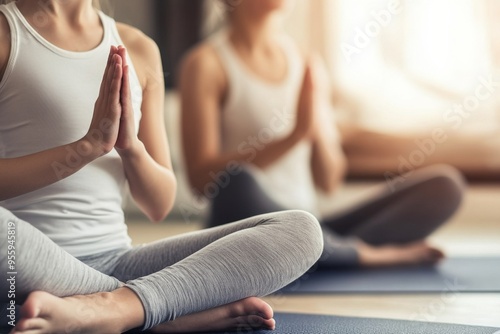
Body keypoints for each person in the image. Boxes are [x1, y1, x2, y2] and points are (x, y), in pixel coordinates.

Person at [0, 0, 324, 333]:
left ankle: (121, 306)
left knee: (301, 231)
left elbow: (159, 203)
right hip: (23, 260)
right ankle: (159, 311)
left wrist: (131, 149)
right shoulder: (6, 33)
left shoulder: (139, 48)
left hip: (118, 262)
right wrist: (84, 149)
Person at [179, 0, 466, 268]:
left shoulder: (305, 62)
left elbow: (329, 180)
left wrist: (316, 130)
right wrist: (293, 137)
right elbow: (201, 182)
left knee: (445, 186)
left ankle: (324, 255)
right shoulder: (205, 64)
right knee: (238, 182)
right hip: (247, 227)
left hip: (311, 225)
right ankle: (357, 255)